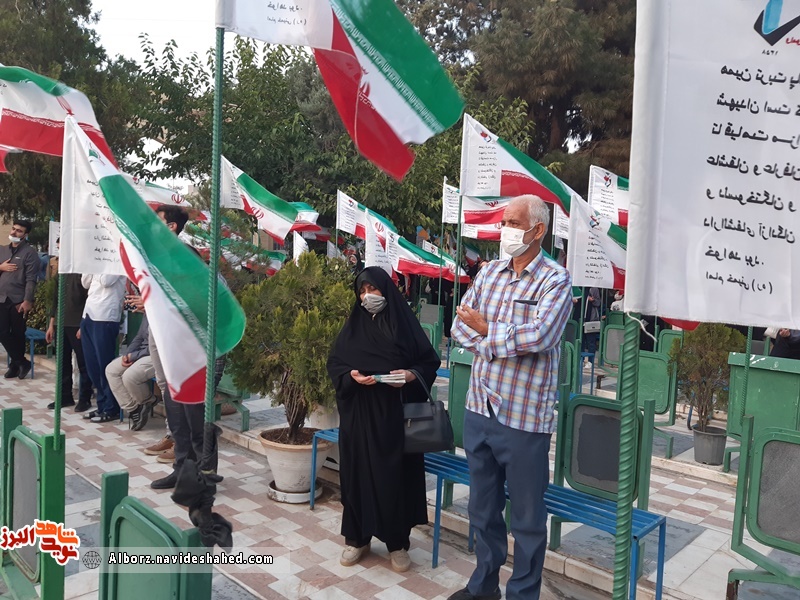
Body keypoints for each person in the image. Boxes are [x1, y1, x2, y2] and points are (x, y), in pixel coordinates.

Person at [449, 195, 572, 600]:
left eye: (514, 223)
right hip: (479, 408)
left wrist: (487, 330)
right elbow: (459, 327)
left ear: (538, 230)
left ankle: (522, 593)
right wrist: (497, 337)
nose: (505, 230)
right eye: (504, 222)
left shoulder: (555, 280)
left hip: (524, 419)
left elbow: (542, 335)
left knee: (527, 519)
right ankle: (484, 586)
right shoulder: (489, 273)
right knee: (482, 509)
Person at [327, 267, 440, 574]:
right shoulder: (353, 326)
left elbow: (429, 361)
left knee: (394, 479)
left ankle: (397, 543)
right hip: (359, 418)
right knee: (357, 476)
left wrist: (409, 376)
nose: (367, 297)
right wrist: (350, 377)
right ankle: (357, 539)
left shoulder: (404, 325)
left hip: (395, 417)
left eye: (373, 289)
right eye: (362, 291)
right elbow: (335, 363)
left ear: (386, 290)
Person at [45, 241, 92, 411]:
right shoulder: (62, 270)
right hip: (61, 323)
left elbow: (90, 299)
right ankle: (64, 397)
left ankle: (85, 398)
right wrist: (51, 324)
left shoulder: (84, 270)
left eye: (62, 247)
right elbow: (56, 299)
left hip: (77, 323)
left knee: (83, 362)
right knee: (62, 362)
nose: (60, 251)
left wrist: (83, 325)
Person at [80, 273, 127, 422]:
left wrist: (95, 267)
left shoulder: (115, 260)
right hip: (89, 312)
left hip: (105, 314)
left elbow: (106, 280)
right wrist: (93, 266)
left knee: (104, 364)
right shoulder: (96, 262)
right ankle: (102, 405)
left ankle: (111, 407)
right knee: (92, 365)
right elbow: (85, 282)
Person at [0, 220, 39, 379]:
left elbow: (31, 279)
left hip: (18, 299)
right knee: (2, 332)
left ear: (25, 235)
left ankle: (15, 367)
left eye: (19, 231)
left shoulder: (30, 253)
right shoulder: (3, 250)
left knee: (18, 334)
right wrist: (1, 267)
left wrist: (27, 300)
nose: (14, 233)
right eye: (13, 229)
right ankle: (22, 362)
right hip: (2, 298)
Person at [105, 314, 155, 430]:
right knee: (111, 370)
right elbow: (139, 337)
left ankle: (148, 400)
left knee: (129, 376)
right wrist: (127, 354)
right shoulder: (147, 313)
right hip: (141, 353)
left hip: (156, 355)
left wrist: (133, 356)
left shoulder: (162, 312)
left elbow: (156, 346)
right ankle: (134, 409)